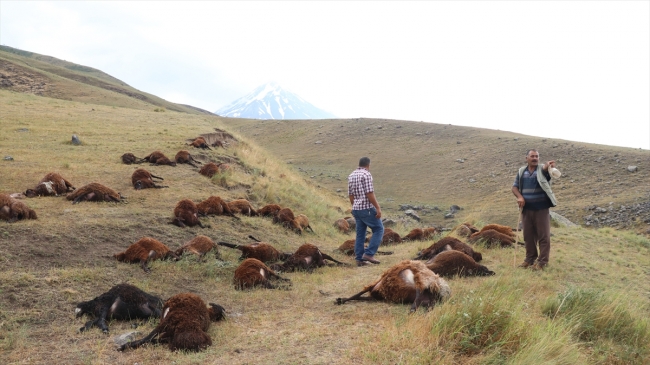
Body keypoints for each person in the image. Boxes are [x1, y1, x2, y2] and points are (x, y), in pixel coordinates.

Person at [512, 149, 558, 271]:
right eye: (532, 156)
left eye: (537, 156)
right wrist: (520, 197)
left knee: (544, 236)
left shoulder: (543, 170)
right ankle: (530, 259)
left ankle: (542, 262)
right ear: (526, 158)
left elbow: (545, 169)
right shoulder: (522, 171)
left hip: (541, 209)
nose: (535, 158)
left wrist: (548, 166)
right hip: (526, 209)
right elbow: (514, 187)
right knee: (528, 236)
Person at [348, 157, 384, 267]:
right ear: (368, 165)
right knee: (379, 229)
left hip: (356, 209)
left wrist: (355, 206)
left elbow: (351, 195)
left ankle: (359, 259)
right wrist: (377, 208)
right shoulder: (366, 174)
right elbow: (369, 193)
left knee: (360, 234)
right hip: (366, 208)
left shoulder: (351, 175)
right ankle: (369, 254)